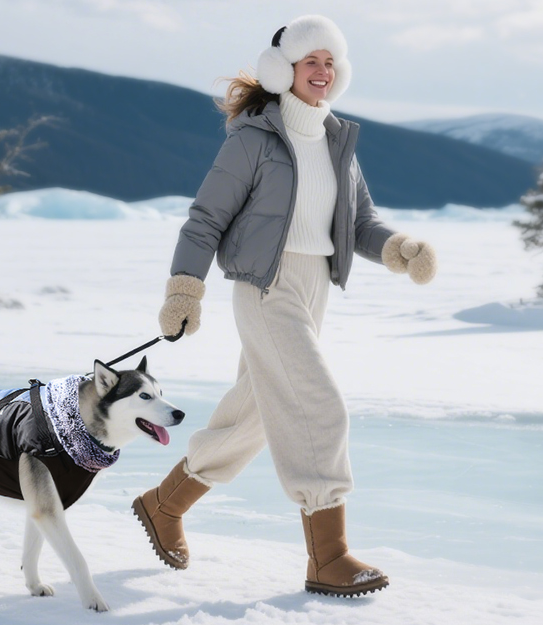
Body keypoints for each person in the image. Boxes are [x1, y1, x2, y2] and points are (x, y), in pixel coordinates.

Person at [132, 14, 435, 598]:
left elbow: (359, 223)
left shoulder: (338, 140)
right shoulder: (254, 138)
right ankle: (329, 557)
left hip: (314, 286)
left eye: (330, 62)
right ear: (285, 69)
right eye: (310, 61)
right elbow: (206, 219)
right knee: (316, 406)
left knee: (252, 415)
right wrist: (183, 289)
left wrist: (399, 248)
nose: (321, 71)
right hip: (266, 287)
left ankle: (163, 506)